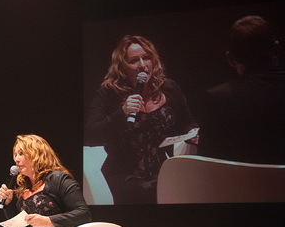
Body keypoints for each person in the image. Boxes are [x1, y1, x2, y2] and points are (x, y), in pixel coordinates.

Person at [84, 35, 199, 204]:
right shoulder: (108, 94)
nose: (142, 65)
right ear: (122, 68)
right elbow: (90, 135)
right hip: (123, 176)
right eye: (134, 61)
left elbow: (188, 122)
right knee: (147, 192)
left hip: (162, 173)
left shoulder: (168, 88)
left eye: (146, 58)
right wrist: (122, 113)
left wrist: (192, 133)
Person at [197, 15, 285, 165]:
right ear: (277, 48)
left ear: (230, 59)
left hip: (238, 181)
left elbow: (208, 163)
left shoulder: (216, 99)